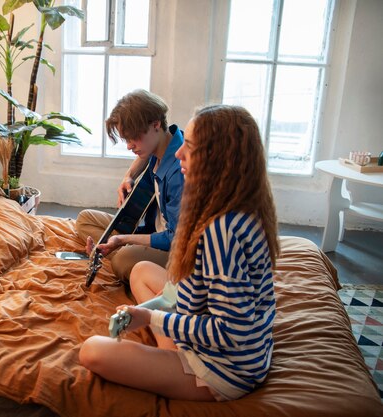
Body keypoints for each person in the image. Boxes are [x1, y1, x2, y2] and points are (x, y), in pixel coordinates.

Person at [79, 104, 280, 402]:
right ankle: (173, 351)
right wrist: (149, 310)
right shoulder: (243, 205)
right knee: (142, 271)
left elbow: (229, 332)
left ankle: (177, 360)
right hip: (242, 346)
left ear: (218, 158)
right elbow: (188, 292)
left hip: (227, 368)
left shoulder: (220, 230)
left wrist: (150, 319)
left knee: (92, 350)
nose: (178, 153)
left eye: (190, 146)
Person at [76, 89, 185, 282]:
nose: (129, 146)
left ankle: (122, 254)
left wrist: (124, 240)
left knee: (122, 261)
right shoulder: (166, 141)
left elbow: (175, 239)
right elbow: (144, 158)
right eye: (126, 139)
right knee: (85, 219)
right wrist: (129, 176)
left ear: (156, 125)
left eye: (133, 137)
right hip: (150, 229)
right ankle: (118, 250)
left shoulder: (179, 171)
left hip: (173, 249)